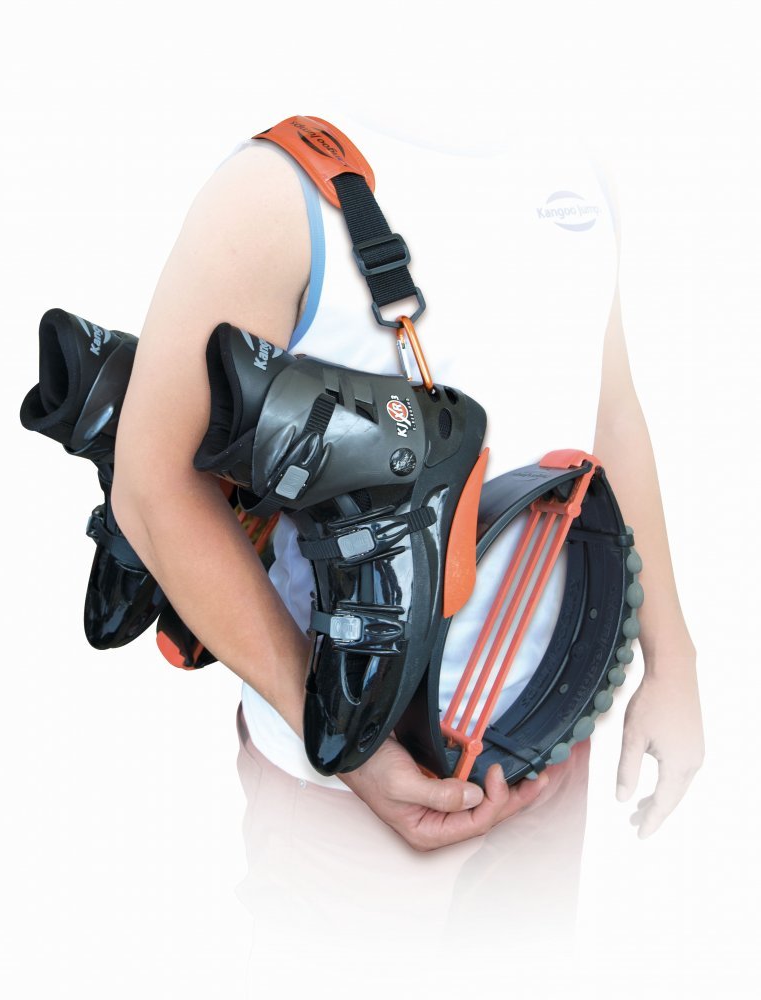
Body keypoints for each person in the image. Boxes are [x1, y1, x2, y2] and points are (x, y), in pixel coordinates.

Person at [112, 113, 704, 882]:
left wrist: (672, 659)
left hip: (548, 741)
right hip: (340, 801)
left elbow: (610, 413)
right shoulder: (273, 189)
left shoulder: (582, 159)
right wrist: (345, 745)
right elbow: (153, 485)